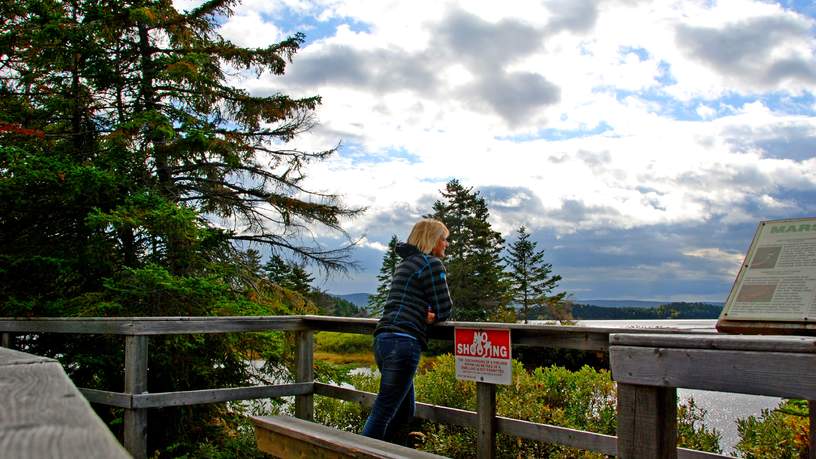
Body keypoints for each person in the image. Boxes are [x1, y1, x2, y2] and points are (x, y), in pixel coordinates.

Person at [361, 218, 453, 443]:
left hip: (383, 340)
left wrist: (427, 310)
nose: (446, 244)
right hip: (404, 343)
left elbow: (408, 300)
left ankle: (390, 449)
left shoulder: (406, 264)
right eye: (444, 239)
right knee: (383, 411)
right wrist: (432, 314)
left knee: (404, 410)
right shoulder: (431, 264)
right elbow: (444, 308)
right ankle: (359, 452)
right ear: (432, 240)